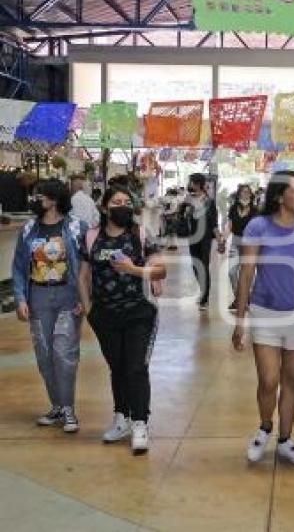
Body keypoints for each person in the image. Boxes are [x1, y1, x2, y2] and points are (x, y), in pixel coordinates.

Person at [231, 171, 294, 465]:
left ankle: (285, 439)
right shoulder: (259, 226)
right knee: (269, 380)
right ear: (279, 196)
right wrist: (240, 319)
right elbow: (247, 273)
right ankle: (265, 427)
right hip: (265, 312)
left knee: (292, 379)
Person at [78, 185, 166, 455]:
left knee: (135, 367)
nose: (123, 206)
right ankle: (121, 417)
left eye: (127, 202)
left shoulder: (140, 234)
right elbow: (83, 275)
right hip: (104, 314)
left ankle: (140, 422)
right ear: (105, 207)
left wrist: (133, 269)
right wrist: (89, 308)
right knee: (117, 367)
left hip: (138, 312)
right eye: (116, 202)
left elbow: (160, 270)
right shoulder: (92, 236)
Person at [12, 179, 86, 433]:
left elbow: (88, 269)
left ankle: (68, 409)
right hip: (38, 299)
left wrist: (86, 299)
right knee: (44, 356)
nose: (36, 199)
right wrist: (20, 298)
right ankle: (56, 405)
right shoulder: (29, 229)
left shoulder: (76, 227)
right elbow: (19, 266)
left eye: (40, 196)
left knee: (64, 354)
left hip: (68, 298)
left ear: (54, 200)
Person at [179, 174, 223, 311]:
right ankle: (203, 290)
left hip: (205, 239)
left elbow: (214, 223)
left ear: (198, 184)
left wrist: (220, 240)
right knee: (195, 266)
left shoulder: (209, 202)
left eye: (191, 182)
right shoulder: (188, 200)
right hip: (192, 238)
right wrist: (184, 211)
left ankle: (205, 298)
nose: (189, 184)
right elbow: (181, 217)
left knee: (203, 266)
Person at [222, 184, 257, 311]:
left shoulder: (255, 210)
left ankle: (243, 299)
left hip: (249, 244)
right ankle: (240, 298)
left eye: (248, 192)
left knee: (247, 274)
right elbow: (229, 226)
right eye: (243, 192)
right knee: (231, 272)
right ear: (238, 194)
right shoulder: (233, 208)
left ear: (251, 195)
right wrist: (223, 239)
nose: (245, 194)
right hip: (235, 242)